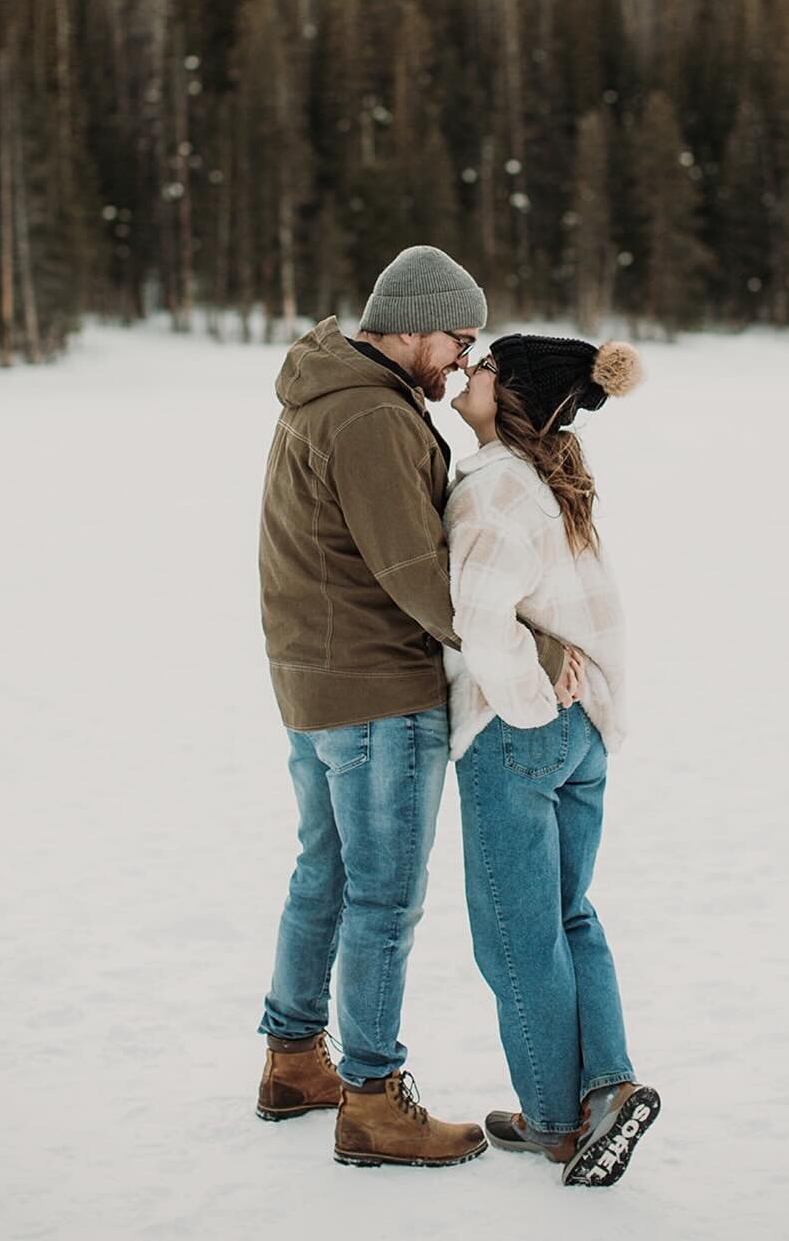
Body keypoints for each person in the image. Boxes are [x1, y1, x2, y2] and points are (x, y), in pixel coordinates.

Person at [253, 246, 577, 1169]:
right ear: (411, 321)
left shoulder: (334, 395)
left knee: (327, 875)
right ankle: (371, 1097)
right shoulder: (368, 416)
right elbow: (415, 574)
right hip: (376, 693)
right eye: (457, 337)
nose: (462, 359)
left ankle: (292, 1058)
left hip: (317, 686)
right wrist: (529, 650)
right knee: (384, 898)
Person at [445, 332, 661, 1188]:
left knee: (516, 937)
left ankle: (555, 1122)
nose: (469, 372)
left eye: (486, 368)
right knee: (570, 917)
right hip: (584, 736)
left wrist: (527, 706)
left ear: (516, 397)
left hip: (523, 734)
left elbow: (481, 617)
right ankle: (607, 1086)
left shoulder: (496, 487)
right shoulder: (548, 483)